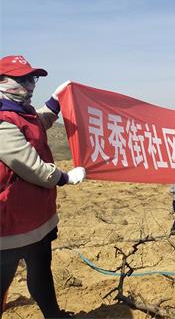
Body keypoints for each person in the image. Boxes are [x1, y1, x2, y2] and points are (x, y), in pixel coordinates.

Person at [0, 55, 86, 318]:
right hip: (10, 225)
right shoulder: (4, 121)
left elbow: (40, 121)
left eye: (31, 78)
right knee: (2, 280)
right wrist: (65, 177)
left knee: (41, 272)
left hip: (38, 218)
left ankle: (54, 315)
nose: (29, 85)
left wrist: (57, 100)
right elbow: (30, 166)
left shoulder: (22, 111)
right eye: (21, 79)